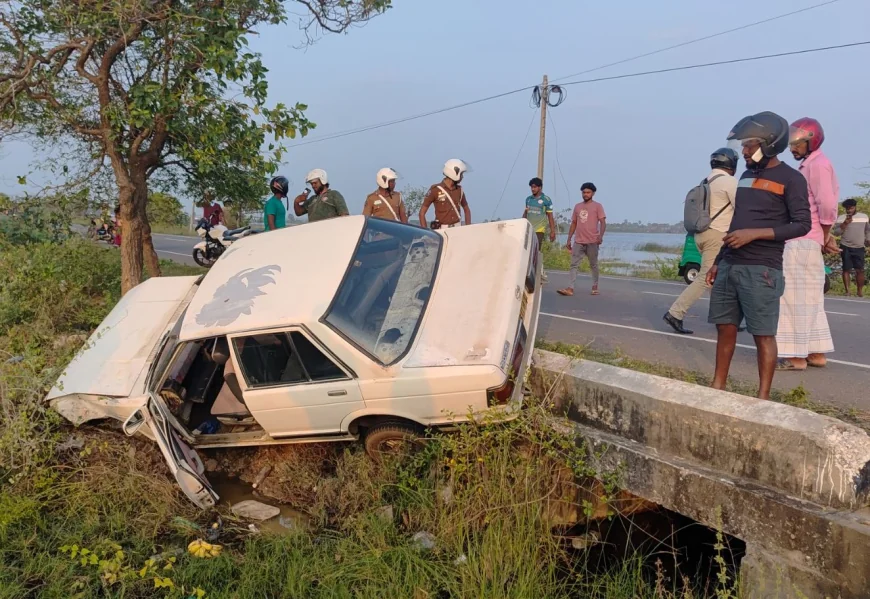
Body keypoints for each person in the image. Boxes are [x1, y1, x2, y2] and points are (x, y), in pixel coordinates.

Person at [706, 111, 811, 399]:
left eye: (749, 145)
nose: (744, 150)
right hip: (730, 264)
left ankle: (762, 398)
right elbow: (737, 222)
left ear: (769, 144)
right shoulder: (745, 176)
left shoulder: (791, 179)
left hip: (762, 268)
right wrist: (718, 261)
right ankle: (718, 388)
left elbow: (802, 224)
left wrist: (755, 234)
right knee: (725, 327)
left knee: (763, 334)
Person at [774, 117, 839, 371]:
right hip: (810, 240)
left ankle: (795, 357)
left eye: (797, 144)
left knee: (792, 298)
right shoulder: (814, 164)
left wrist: (824, 235)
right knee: (811, 299)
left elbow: (827, 205)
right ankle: (815, 353)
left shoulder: (817, 165)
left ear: (812, 141)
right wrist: (825, 236)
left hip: (801, 240)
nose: (792, 149)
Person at [664, 148, 739, 334]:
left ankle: (729, 319)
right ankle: (675, 313)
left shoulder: (706, 182)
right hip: (716, 235)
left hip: (701, 235)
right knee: (706, 278)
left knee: (721, 278)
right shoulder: (729, 182)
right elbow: (742, 208)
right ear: (731, 164)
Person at [557, 182, 606, 297]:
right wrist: (569, 239)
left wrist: (600, 236)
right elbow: (574, 223)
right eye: (584, 192)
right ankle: (570, 288)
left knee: (593, 264)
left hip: (592, 241)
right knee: (574, 265)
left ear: (593, 193)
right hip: (578, 241)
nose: (585, 194)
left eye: (588, 192)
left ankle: (595, 286)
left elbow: (603, 222)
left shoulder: (597, 206)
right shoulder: (577, 206)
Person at [419, 159, 472, 229]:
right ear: (454, 173)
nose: (462, 177)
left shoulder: (459, 190)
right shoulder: (435, 190)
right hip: (442, 230)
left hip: (457, 228)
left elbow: (466, 210)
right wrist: (425, 232)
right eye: (461, 174)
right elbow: (422, 213)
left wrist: (468, 228)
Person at [833, 198, 870, 297]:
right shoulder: (841, 218)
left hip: (859, 246)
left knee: (860, 270)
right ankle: (847, 291)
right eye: (847, 208)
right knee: (846, 269)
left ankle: (860, 292)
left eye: (851, 208)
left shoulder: (864, 217)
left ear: (855, 207)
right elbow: (836, 232)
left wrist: (868, 239)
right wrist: (845, 223)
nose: (849, 210)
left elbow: (867, 230)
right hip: (845, 246)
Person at [523, 177, 556, 281]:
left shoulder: (546, 200)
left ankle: (539, 273)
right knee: (526, 251)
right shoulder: (528, 199)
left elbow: (550, 216)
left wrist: (552, 231)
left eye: (535, 187)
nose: (533, 189)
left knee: (536, 251)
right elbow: (525, 213)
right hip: (529, 228)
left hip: (539, 230)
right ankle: (526, 272)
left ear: (540, 187)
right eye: (531, 187)